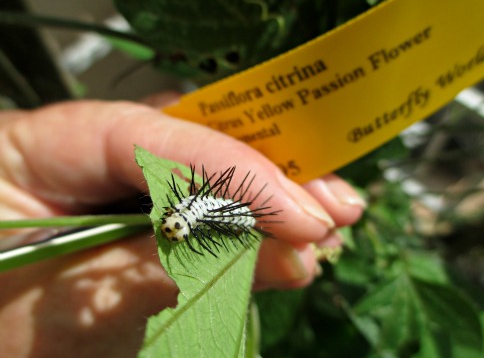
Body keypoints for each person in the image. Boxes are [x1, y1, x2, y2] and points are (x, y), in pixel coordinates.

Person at [0, 92, 365, 357]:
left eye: (173, 226)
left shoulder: (198, 212)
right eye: (176, 228)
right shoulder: (190, 212)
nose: (172, 230)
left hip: (227, 213)